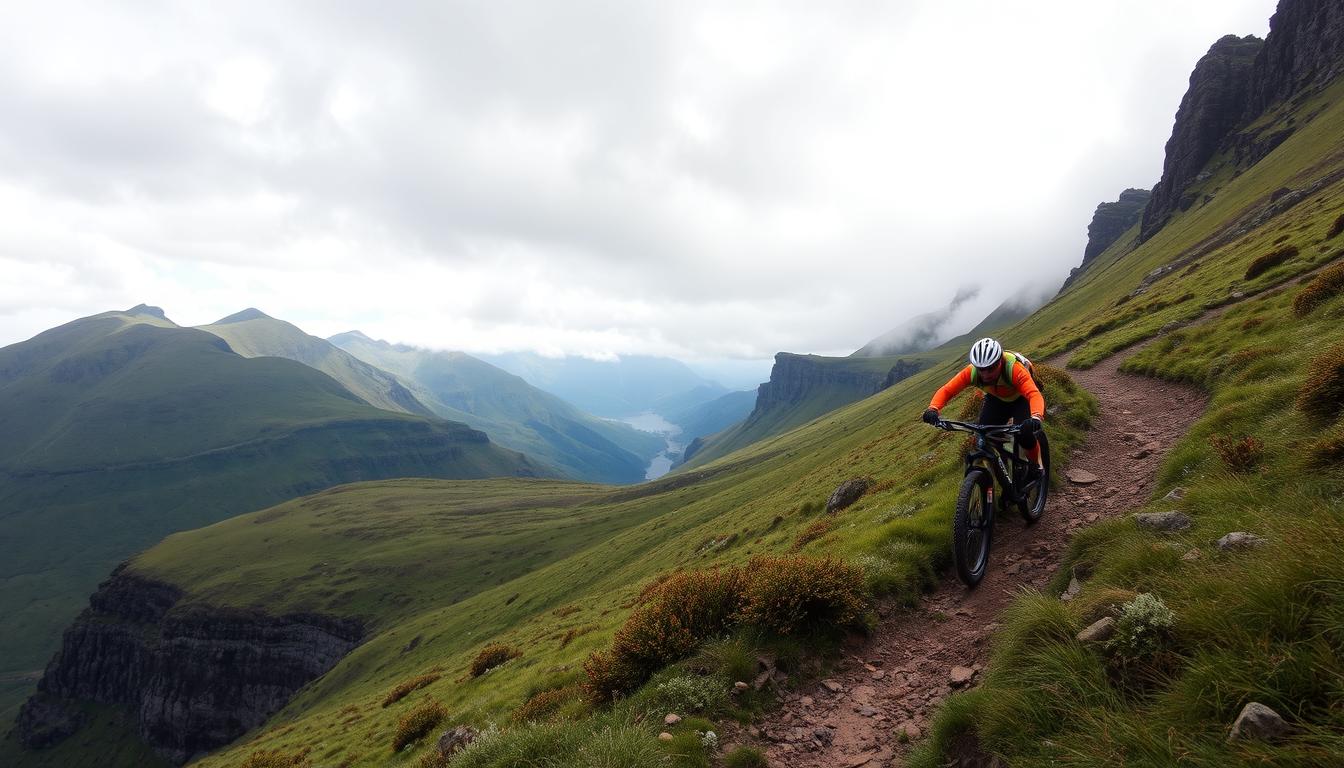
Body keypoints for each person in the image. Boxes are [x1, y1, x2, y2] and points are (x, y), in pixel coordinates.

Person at [922, 337, 1045, 476]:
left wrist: (1036, 417)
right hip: (996, 399)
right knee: (986, 434)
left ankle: (1037, 465)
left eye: (991, 368)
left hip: (1021, 399)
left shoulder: (1013, 369)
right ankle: (1004, 471)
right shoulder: (971, 372)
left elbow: (1033, 394)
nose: (986, 374)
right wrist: (933, 408)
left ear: (1000, 361)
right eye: (981, 369)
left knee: (1025, 435)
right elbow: (947, 390)